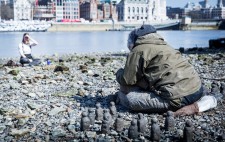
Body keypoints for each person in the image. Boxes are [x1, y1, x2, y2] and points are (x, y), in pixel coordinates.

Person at [116, 25, 217, 116]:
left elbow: (127, 80)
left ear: (132, 42)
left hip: (177, 98)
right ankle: (203, 102)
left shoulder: (138, 49)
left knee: (130, 99)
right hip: (197, 89)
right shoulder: (165, 45)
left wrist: (119, 72)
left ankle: (186, 106)